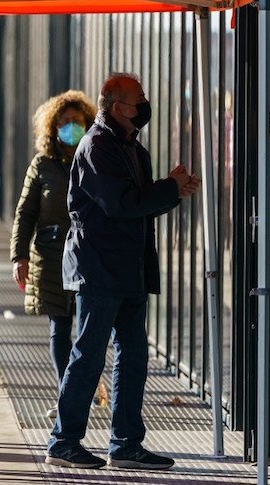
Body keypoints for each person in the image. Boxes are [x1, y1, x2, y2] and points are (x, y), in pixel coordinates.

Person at [45, 73, 200, 470]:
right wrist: (168, 188)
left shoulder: (131, 147)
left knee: (133, 356)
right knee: (89, 354)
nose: (145, 104)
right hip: (100, 268)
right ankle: (64, 440)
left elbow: (139, 204)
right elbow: (120, 203)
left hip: (128, 268)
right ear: (118, 107)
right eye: (139, 99)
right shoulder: (97, 146)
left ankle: (126, 443)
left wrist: (173, 190)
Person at [11, 90, 102, 419]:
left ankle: (85, 389)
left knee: (90, 328)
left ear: (88, 124)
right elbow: (25, 213)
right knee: (59, 327)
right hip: (50, 256)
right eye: (65, 122)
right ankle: (68, 396)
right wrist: (19, 256)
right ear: (53, 127)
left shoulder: (97, 159)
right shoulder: (42, 164)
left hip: (90, 255)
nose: (71, 127)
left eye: (77, 121)